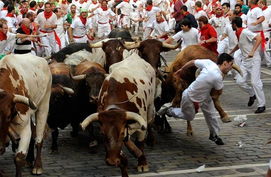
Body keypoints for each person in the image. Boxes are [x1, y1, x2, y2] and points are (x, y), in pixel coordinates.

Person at [171, 53, 235, 145]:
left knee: (211, 115)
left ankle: (214, 135)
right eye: (231, 64)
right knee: (189, 116)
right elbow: (216, 96)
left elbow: (193, 62)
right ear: (225, 63)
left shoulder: (209, 63)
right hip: (190, 97)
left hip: (205, 96)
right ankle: (169, 110)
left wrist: (182, 69)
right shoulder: (217, 77)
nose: (231, 67)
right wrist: (222, 113)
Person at [230, 16, 266, 114]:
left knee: (255, 82)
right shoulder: (238, 33)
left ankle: (262, 105)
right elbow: (240, 44)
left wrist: (252, 51)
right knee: (239, 81)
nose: (231, 25)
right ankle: (252, 94)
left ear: (234, 24)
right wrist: (231, 52)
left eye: (231, 24)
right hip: (245, 61)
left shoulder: (245, 31)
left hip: (254, 60)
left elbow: (259, 38)